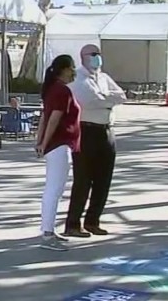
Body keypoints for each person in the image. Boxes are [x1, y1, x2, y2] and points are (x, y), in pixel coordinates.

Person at [63, 44, 127, 237]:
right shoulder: (78, 78)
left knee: (103, 180)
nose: (96, 58)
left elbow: (122, 96)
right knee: (83, 179)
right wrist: (108, 100)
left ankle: (93, 220)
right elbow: (88, 100)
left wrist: (105, 98)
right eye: (92, 54)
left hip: (107, 131)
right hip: (86, 131)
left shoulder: (104, 78)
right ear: (82, 57)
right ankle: (73, 223)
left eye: (98, 54)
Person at [37, 54, 81, 251]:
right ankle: (47, 233)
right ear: (63, 69)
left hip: (56, 145)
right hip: (59, 145)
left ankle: (49, 230)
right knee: (54, 189)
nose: (74, 71)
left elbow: (44, 117)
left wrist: (40, 142)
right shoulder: (62, 91)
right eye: (71, 67)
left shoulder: (52, 90)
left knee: (54, 188)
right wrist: (44, 142)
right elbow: (53, 119)